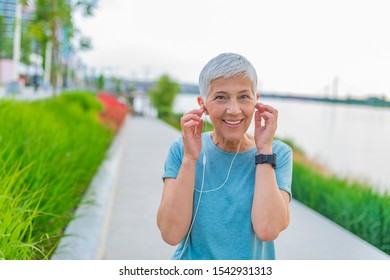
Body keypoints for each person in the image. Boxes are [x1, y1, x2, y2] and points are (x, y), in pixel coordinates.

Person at [157, 53, 292, 260]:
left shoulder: (277, 154)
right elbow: (171, 234)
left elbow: (268, 230)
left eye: (244, 97)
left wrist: (264, 150)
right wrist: (190, 159)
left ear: (256, 101)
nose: (234, 109)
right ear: (203, 105)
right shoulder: (181, 150)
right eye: (221, 97)